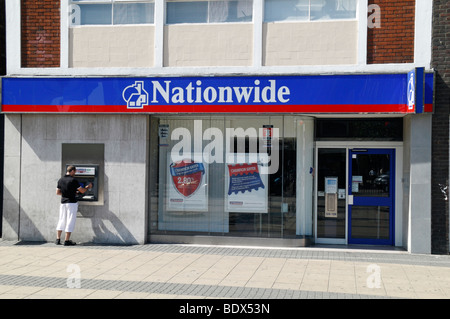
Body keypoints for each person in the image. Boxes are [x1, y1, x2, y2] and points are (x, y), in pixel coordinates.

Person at [55, 165, 92, 246]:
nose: (75, 173)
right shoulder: (73, 180)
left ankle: (58, 239)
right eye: (75, 172)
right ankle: (66, 240)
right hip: (71, 203)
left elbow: (58, 192)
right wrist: (88, 187)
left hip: (63, 203)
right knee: (70, 220)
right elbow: (82, 191)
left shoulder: (60, 180)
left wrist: (66, 194)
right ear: (72, 171)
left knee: (61, 219)